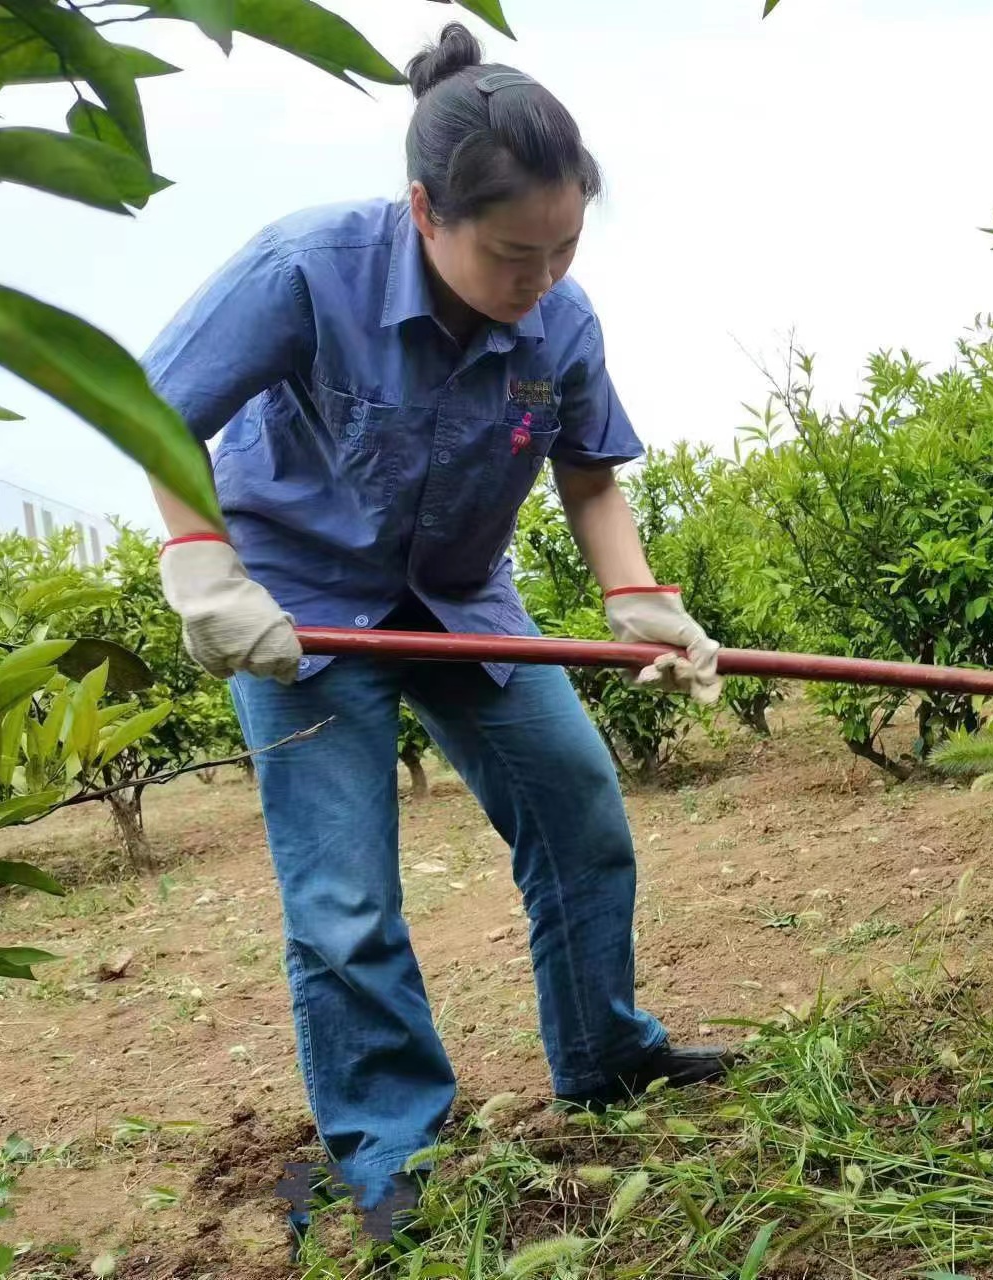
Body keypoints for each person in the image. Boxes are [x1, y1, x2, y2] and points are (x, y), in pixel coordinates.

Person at [139, 22, 731, 1255]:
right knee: (345, 900)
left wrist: (635, 595)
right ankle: (391, 1151)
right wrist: (199, 558)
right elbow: (153, 409)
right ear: (424, 211)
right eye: (514, 253)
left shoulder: (561, 320)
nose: (541, 277)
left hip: (460, 599)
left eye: (565, 247)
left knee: (579, 812)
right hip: (301, 613)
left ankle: (606, 1055)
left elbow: (588, 474)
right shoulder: (307, 268)